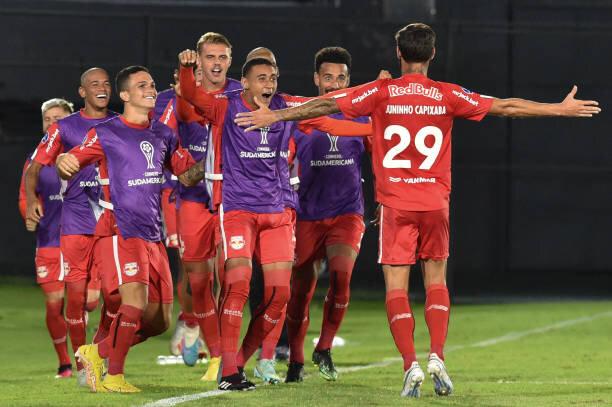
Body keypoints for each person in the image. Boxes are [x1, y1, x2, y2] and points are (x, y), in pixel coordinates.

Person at [234, 22, 601, 398]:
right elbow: (505, 107)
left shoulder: (382, 91)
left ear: (398, 54)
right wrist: (559, 109)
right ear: (432, 55)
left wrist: (274, 116)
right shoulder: (447, 94)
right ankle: (437, 355)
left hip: (396, 206)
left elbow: (328, 103)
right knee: (436, 283)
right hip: (434, 205)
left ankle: (410, 363)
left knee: (397, 288)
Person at [57, 65, 204, 393]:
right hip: (118, 229)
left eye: (152, 84)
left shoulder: (163, 134)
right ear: (124, 95)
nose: (150, 90)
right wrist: (62, 163)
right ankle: (115, 376)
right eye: (142, 86)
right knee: (134, 302)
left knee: (160, 321)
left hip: (153, 233)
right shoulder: (106, 132)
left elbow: (187, 175)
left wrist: (217, 158)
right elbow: (70, 161)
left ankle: (97, 352)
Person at [285, 46, 371, 383]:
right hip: (307, 214)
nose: (334, 83)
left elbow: (381, 154)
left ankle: (324, 346)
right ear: (316, 79)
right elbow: (283, 157)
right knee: (301, 289)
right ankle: (296, 360)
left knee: (341, 275)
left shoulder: (361, 115)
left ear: (349, 80)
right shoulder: (299, 115)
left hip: (347, 212)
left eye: (341, 78)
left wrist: (386, 198)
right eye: (328, 77)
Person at [25, 68, 116, 385]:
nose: (52, 122)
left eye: (106, 84)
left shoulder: (118, 123)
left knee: (108, 300)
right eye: (47, 118)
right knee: (67, 301)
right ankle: (76, 364)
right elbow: (32, 172)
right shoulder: (60, 136)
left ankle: (102, 357)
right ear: (82, 92)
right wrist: (30, 205)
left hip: (110, 223)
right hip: (68, 229)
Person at [170, 33, 242, 380]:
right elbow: (186, 107)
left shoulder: (239, 95)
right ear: (198, 61)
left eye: (222, 57)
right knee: (198, 282)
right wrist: (185, 73)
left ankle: (227, 354)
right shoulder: (181, 96)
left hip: (234, 197)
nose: (216, 63)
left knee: (231, 276)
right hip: (193, 199)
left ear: (230, 60)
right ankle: (213, 353)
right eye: (209, 57)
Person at [18, 98, 73, 379]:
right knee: (54, 304)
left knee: (85, 302)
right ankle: (65, 364)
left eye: (58, 118)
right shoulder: (35, 160)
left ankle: (87, 354)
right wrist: (29, 211)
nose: (52, 124)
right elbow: (24, 197)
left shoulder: (85, 151)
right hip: (50, 241)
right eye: (47, 119)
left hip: (81, 241)